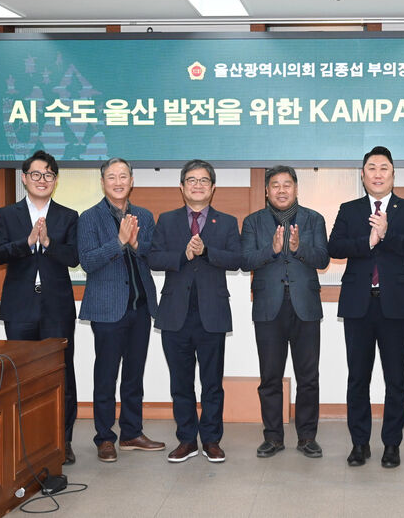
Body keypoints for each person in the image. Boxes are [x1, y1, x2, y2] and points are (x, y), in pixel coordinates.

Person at [328, 146, 404, 468]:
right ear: (363, 174)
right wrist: (367, 242)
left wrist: (386, 235)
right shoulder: (350, 209)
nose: (378, 174)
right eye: (372, 168)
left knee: (396, 378)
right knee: (358, 377)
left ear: (393, 174)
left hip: (394, 305)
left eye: (384, 168)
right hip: (358, 304)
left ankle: (392, 444)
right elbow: (334, 247)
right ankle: (359, 443)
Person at [0, 150, 79, 465]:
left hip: (57, 307)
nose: (43, 180)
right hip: (20, 308)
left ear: (55, 180)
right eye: (37, 174)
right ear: (25, 178)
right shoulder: (7, 214)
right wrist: (27, 242)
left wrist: (49, 243)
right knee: (20, 375)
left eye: (49, 175)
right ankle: (23, 441)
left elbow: (74, 257)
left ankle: (63, 441)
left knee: (62, 373)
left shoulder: (68, 216)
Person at [149, 159, 241, 464]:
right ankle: (187, 440)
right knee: (181, 384)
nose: (197, 185)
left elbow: (236, 259)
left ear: (213, 188)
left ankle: (212, 440)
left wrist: (206, 252)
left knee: (212, 383)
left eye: (203, 181)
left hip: (212, 313)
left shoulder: (226, 222)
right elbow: (153, 258)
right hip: (175, 313)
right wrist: (183, 255)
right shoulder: (167, 220)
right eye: (192, 180)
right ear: (181, 186)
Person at [78, 157, 164, 462]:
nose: (118, 182)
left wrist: (136, 245)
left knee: (133, 376)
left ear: (132, 181)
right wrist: (119, 242)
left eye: (123, 176)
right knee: (106, 376)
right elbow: (87, 261)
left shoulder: (144, 216)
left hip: (139, 307)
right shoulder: (89, 218)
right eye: (112, 177)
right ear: (103, 182)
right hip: (107, 310)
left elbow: (154, 257)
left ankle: (131, 432)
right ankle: (104, 437)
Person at [241, 165, 330, 459]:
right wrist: (272, 249)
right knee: (270, 377)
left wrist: (298, 247)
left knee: (309, 377)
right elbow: (245, 260)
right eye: (275, 185)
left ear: (296, 188)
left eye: (287, 184)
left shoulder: (314, 219)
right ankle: (273, 437)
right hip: (269, 308)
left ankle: (307, 437)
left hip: (306, 307)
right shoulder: (253, 222)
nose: (281, 190)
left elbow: (322, 258)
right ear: (267, 191)